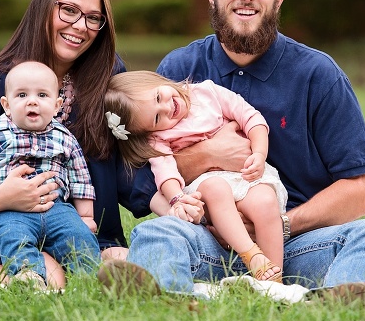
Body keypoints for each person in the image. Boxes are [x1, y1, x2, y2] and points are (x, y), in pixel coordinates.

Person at [120, 0, 365, 301]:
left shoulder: (318, 74)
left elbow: (363, 191)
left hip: (297, 244)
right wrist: (211, 154)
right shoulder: (179, 72)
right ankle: (171, 305)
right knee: (155, 234)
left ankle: (334, 309)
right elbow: (146, 176)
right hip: (209, 240)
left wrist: (280, 224)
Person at [0, 0, 190, 289]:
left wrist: (173, 204)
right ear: (43, 8)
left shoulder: (105, 76)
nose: (81, 26)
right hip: (6, 236)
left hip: (86, 236)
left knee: (134, 261)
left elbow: (123, 163)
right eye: (69, 10)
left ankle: (98, 263)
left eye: (94, 18)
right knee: (49, 277)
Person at [106, 70, 285, 282]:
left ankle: (274, 279)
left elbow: (250, 117)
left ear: (156, 80)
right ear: (149, 130)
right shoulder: (158, 138)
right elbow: (165, 173)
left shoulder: (207, 93)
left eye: (157, 97)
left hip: (245, 175)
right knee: (216, 188)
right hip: (207, 185)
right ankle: (252, 254)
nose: (167, 108)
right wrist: (177, 198)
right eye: (156, 118)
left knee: (264, 202)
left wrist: (259, 153)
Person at [0, 61, 100, 288]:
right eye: (21, 95)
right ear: (7, 105)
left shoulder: (65, 138)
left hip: (56, 208)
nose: (32, 101)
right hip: (10, 211)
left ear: (57, 105)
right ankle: (28, 275)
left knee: (78, 236)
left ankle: (90, 277)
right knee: (12, 238)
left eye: (42, 95)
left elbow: (80, 177)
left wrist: (86, 217)